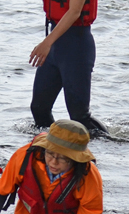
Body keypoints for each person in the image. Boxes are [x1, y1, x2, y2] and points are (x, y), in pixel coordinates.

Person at [29, 0, 108, 137]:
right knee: (39, 109)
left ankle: (104, 147)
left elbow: (74, 12)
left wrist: (47, 43)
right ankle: (50, 151)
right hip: (54, 47)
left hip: (77, 47)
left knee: (79, 117)